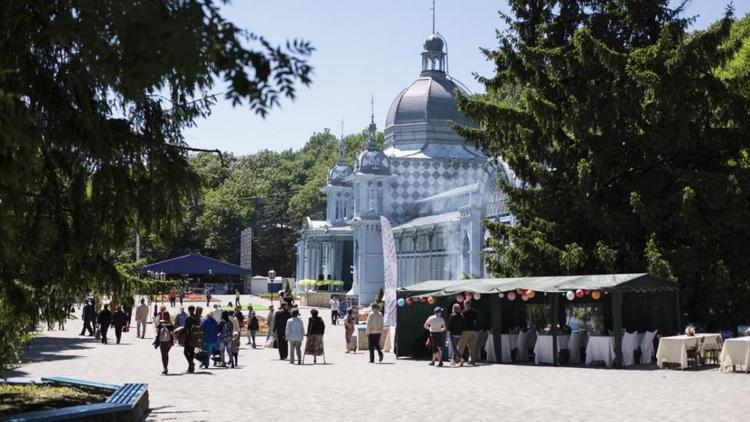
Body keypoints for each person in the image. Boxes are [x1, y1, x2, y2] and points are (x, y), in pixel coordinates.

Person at [456, 300, 478, 366]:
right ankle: (472, 360)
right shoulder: (473, 311)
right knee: (471, 347)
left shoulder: (462, 312)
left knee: (461, 347)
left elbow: (460, 322)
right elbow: (475, 321)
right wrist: (472, 326)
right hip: (471, 331)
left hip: (465, 331)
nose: (466, 305)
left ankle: (458, 360)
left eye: (466, 304)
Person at [183, 306, 198, 373]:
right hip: (195, 337)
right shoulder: (196, 317)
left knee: (185, 352)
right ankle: (191, 368)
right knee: (191, 352)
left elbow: (185, 328)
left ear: (189, 310)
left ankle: (191, 364)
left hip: (188, 337)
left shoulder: (188, 318)